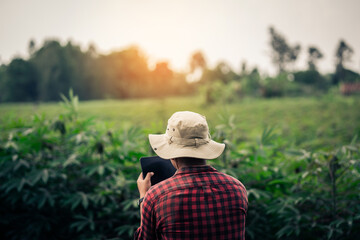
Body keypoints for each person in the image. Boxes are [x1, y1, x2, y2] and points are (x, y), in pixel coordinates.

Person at [134, 111, 248, 240]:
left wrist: (144, 197)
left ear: (171, 154)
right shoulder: (237, 188)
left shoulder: (156, 196)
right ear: (206, 146)